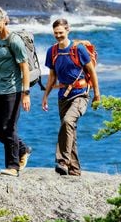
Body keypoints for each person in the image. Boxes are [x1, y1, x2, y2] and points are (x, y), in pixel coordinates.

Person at [42, 18, 100, 176]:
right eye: (55, 33)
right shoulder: (52, 51)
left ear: (68, 31)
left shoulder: (78, 49)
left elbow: (92, 71)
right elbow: (52, 77)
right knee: (69, 131)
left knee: (68, 122)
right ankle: (74, 170)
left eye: (61, 32)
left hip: (81, 94)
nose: (58, 36)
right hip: (63, 96)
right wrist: (45, 96)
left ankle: (62, 161)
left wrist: (97, 94)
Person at [0, 6, 32, 177]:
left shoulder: (14, 40)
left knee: (9, 127)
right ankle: (23, 149)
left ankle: (13, 166)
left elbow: (24, 67)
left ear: (4, 20)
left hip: (13, 90)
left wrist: (26, 93)